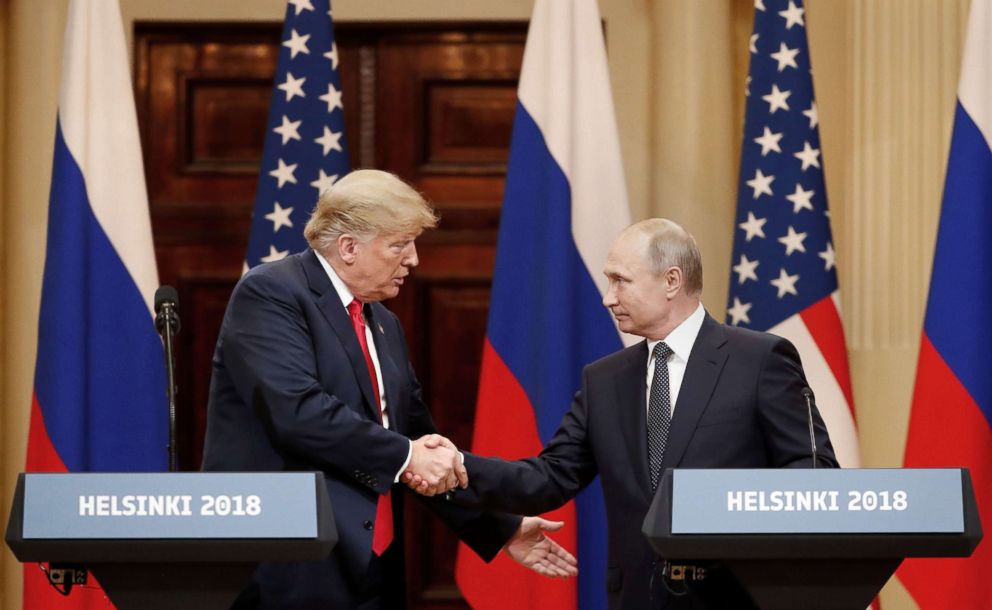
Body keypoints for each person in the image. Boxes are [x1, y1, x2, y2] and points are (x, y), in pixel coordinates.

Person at [405, 218, 838, 610]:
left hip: (738, 597)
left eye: (620, 281)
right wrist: (458, 465)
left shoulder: (758, 359)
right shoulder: (605, 380)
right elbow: (547, 478)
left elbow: (811, 475)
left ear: (672, 280)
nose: (609, 298)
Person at [201, 169, 576, 609]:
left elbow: (417, 445)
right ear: (348, 247)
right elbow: (297, 413)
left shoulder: (383, 322)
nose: (414, 259)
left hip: (372, 563)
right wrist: (409, 455)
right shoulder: (271, 293)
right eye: (400, 245)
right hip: (291, 564)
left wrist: (499, 527)